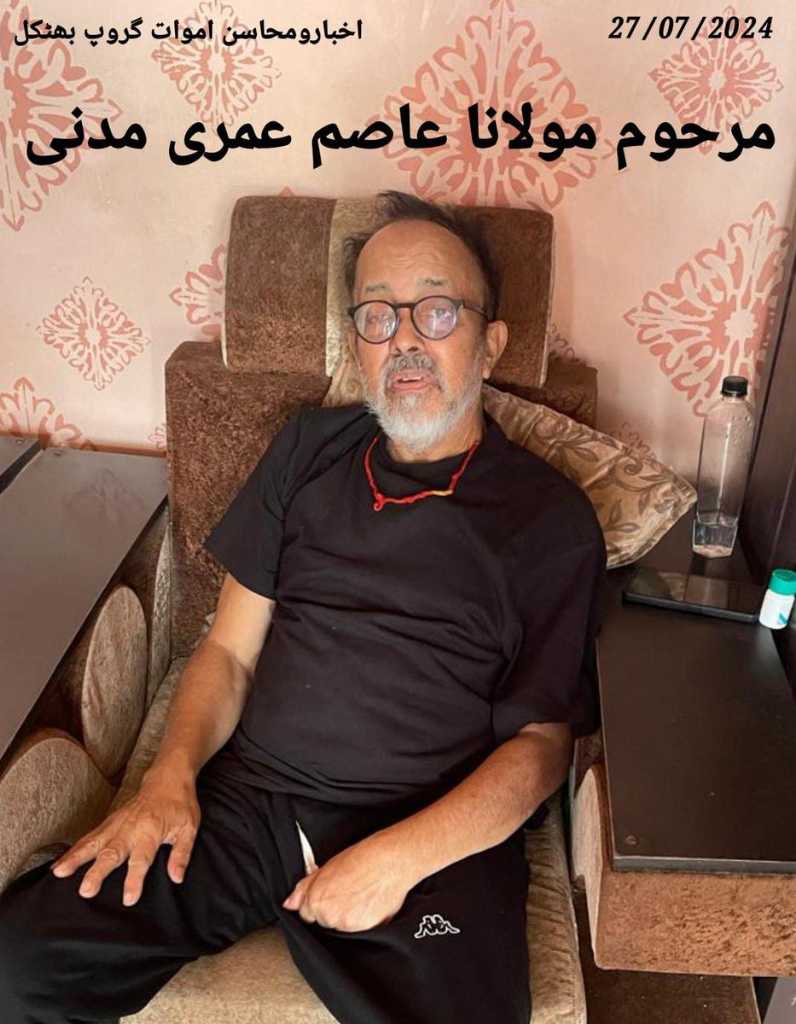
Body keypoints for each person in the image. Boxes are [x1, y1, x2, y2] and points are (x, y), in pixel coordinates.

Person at [0, 190, 607, 1024]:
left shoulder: (549, 519)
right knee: (18, 965)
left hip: (427, 828)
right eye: (377, 315)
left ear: (490, 342)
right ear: (356, 343)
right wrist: (167, 780)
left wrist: (396, 860)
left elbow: (539, 748)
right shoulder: (307, 450)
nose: (404, 339)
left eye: (436, 311)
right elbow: (228, 653)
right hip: (249, 804)